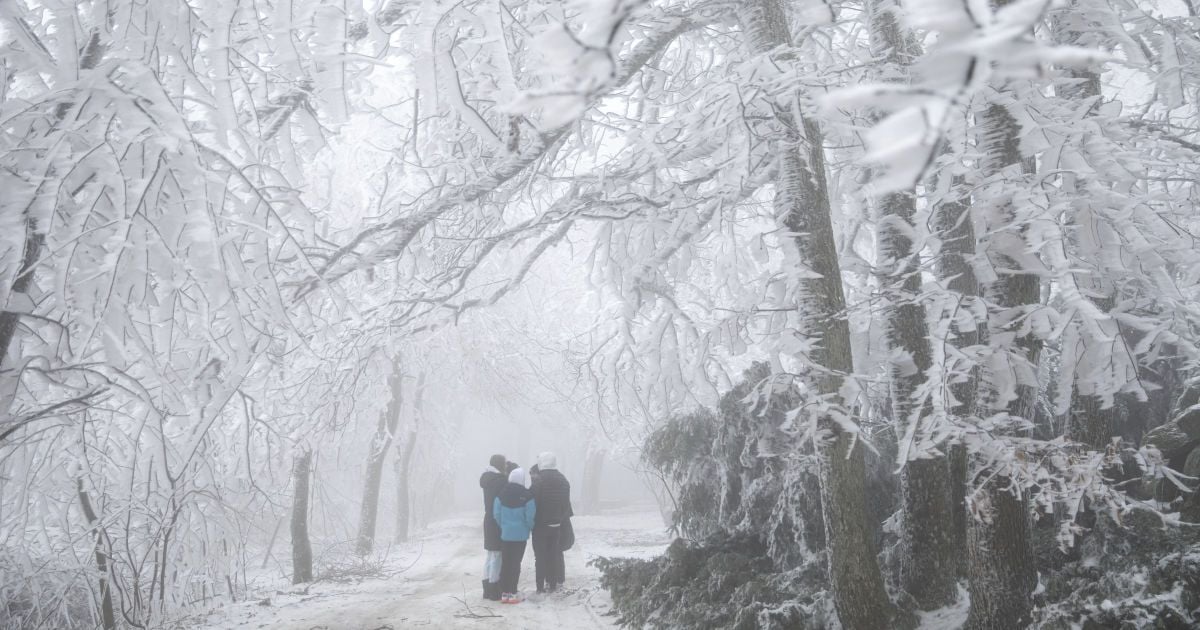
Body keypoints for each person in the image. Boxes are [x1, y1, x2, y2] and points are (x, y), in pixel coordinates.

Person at [531, 451, 572, 593]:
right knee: (554, 554)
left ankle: (540, 586)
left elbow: (533, 502)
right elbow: (566, 504)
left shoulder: (538, 480)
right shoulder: (563, 480)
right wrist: (559, 518)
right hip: (556, 524)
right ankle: (553, 584)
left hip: (540, 525)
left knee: (540, 556)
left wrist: (534, 519)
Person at [493, 467, 536, 604]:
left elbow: (496, 514)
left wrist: (504, 526)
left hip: (506, 535)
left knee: (506, 563)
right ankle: (512, 592)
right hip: (520, 536)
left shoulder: (501, 495)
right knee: (515, 563)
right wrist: (529, 527)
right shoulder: (527, 495)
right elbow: (530, 516)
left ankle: (504, 593)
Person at [479, 454, 508, 601]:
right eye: (504, 464)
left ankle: (486, 588)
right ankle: (494, 589)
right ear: (499, 465)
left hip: (488, 518)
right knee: (497, 555)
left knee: (490, 554)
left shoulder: (487, 479)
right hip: (497, 519)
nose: (506, 466)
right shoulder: (501, 481)